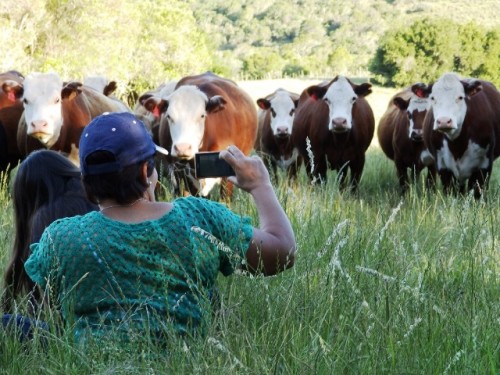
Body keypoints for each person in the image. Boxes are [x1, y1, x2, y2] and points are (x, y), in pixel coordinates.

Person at [24, 112, 296, 343]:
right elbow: (282, 251)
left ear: (85, 182)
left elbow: (48, 305)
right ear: (146, 172)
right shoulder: (199, 217)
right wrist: (261, 186)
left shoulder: (60, 238)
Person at [1, 149, 98, 340]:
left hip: (74, 335)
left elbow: (43, 301)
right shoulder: (93, 202)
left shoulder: (45, 218)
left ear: (26, 197)